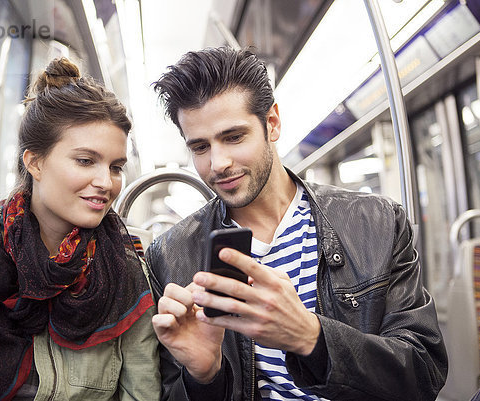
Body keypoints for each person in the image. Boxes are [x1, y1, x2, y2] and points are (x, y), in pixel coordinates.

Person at [146, 47, 448, 401]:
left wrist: (311, 337)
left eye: (233, 137)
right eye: (199, 147)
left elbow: (424, 371)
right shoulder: (171, 255)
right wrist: (204, 378)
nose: (218, 163)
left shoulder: (377, 223)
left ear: (271, 123)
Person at [0, 58, 160, 401]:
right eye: (86, 161)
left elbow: (141, 393)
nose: (105, 182)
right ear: (35, 162)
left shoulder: (126, 272)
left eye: (115, 167)